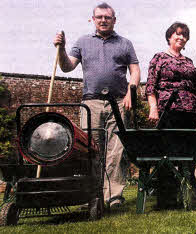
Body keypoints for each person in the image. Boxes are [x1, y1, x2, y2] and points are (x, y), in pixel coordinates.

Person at [53, 2, 141, 208]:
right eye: (99, 17)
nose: (103, 20)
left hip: (118, 102)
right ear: (93, 19)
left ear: (114, 20)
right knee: (90, 149)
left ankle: (114, 197)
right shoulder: (83, 41)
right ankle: (92, 195)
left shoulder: (125, 43)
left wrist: (132, 90)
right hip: (90, 102)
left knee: (116, 150)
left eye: (107, 17)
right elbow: (66, 67)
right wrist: (62, 48)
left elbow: (135, 70)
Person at [146, 22, 196, 208]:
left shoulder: (189, 62)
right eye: (177, 34)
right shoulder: (159, 58)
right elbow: (150, 86)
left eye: (184, 35)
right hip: (168, 111)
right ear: (169, 37)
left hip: (189, 113)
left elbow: (195, 89)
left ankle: (188, 193)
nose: (180, 37)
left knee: (188, 154)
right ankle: (167, 198)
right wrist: (153, 108)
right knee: (167, 154)